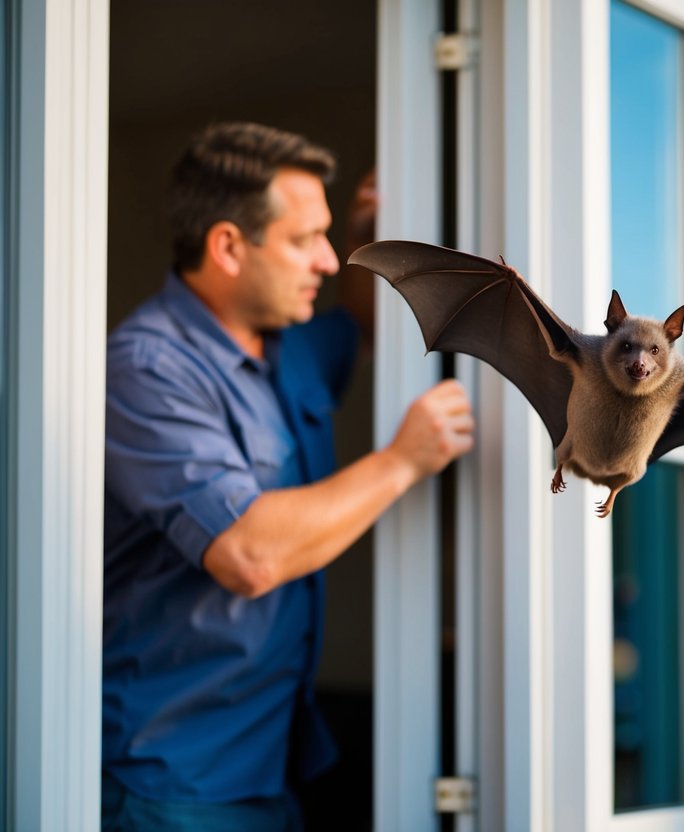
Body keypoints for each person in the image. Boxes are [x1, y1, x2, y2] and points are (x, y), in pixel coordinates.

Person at [102, 122, 474, 830]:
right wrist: (400, 461)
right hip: (171, 785)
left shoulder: (289, 348)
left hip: (270, 770)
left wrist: (372, 230)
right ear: (227, 248)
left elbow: (367, 318)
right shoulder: (147, 369)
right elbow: (249, 552)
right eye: (305, 240)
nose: (329, 262)